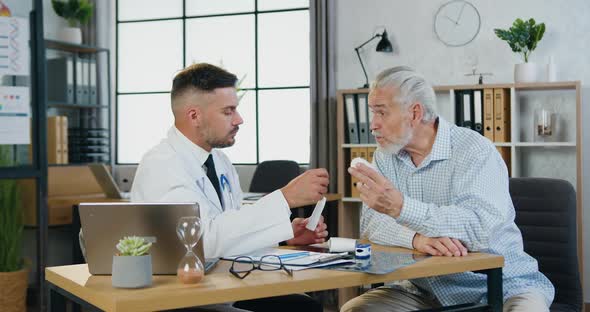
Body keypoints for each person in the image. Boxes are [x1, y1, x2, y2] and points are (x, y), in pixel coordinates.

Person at [342, 66, 554, 312]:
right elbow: (371, 224)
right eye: (372, 113)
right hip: (422, 289)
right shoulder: (385, 156)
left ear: (415, 112)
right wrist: (416, 239)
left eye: (381, 113)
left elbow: (479, 228)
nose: (373, 125)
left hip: (500, 286)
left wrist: (402, 208)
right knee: (357, 310)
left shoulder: (474, 151)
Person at [130, 63, 328, 312]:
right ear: (194, 116)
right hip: (178, 298)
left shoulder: (219, 161)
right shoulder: (162, 165)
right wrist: (285, 198)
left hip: (218, 287)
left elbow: (231, 228)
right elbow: (203, 242)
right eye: (228, 111)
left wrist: (284, 234)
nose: (239, 119)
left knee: (303, 308)